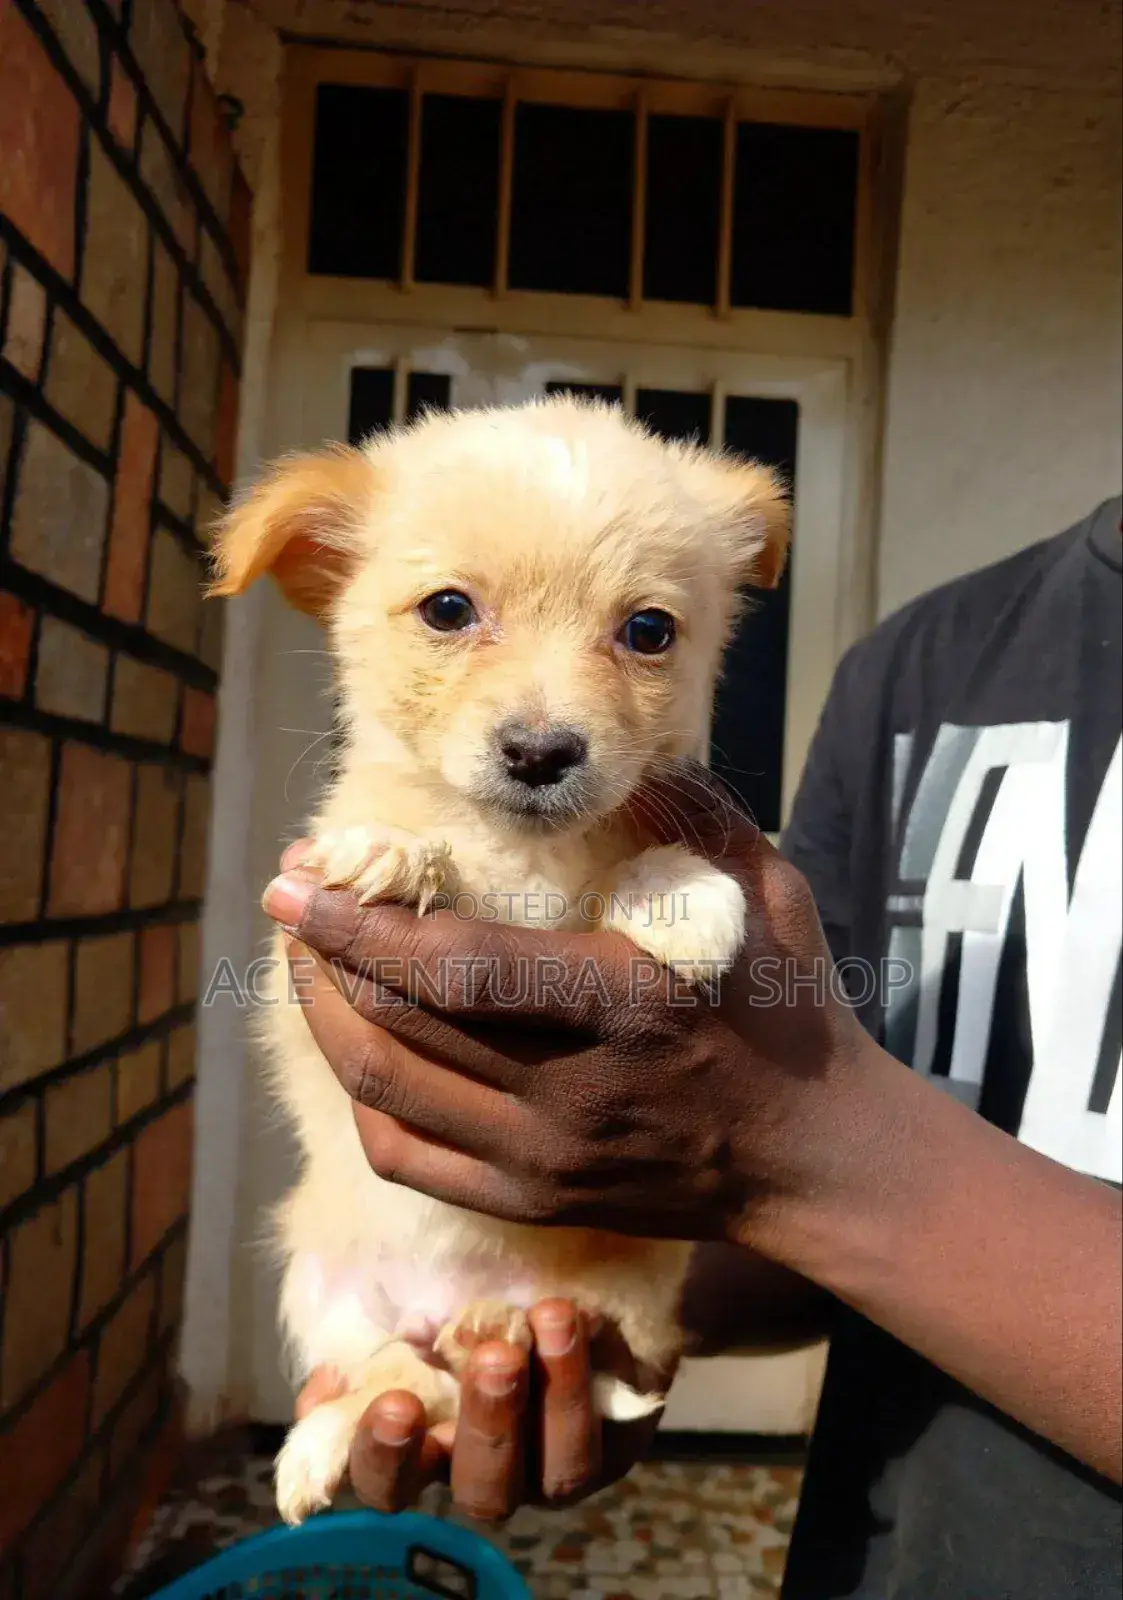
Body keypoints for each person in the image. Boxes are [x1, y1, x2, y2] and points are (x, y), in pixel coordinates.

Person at [263, 496, 1122, 1596]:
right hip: (884, 1546)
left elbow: (780, 1127)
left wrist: (790, 1158)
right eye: (450, 612)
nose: (546, 714)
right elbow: (748, 1117)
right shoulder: (917, 662)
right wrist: (607, 1326)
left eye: (644, 632)